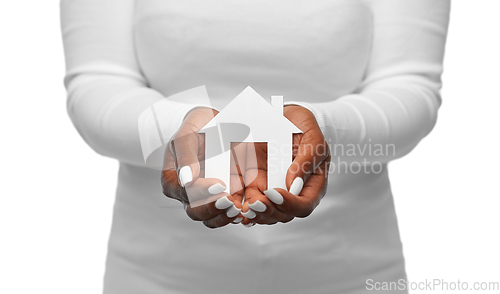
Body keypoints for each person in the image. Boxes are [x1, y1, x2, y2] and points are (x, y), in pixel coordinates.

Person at [61, 0, 450, 293]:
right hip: (156, 276)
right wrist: (180, 133)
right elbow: (98, 83)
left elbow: (409, 85)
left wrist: (324, 129)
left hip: (352, 272)